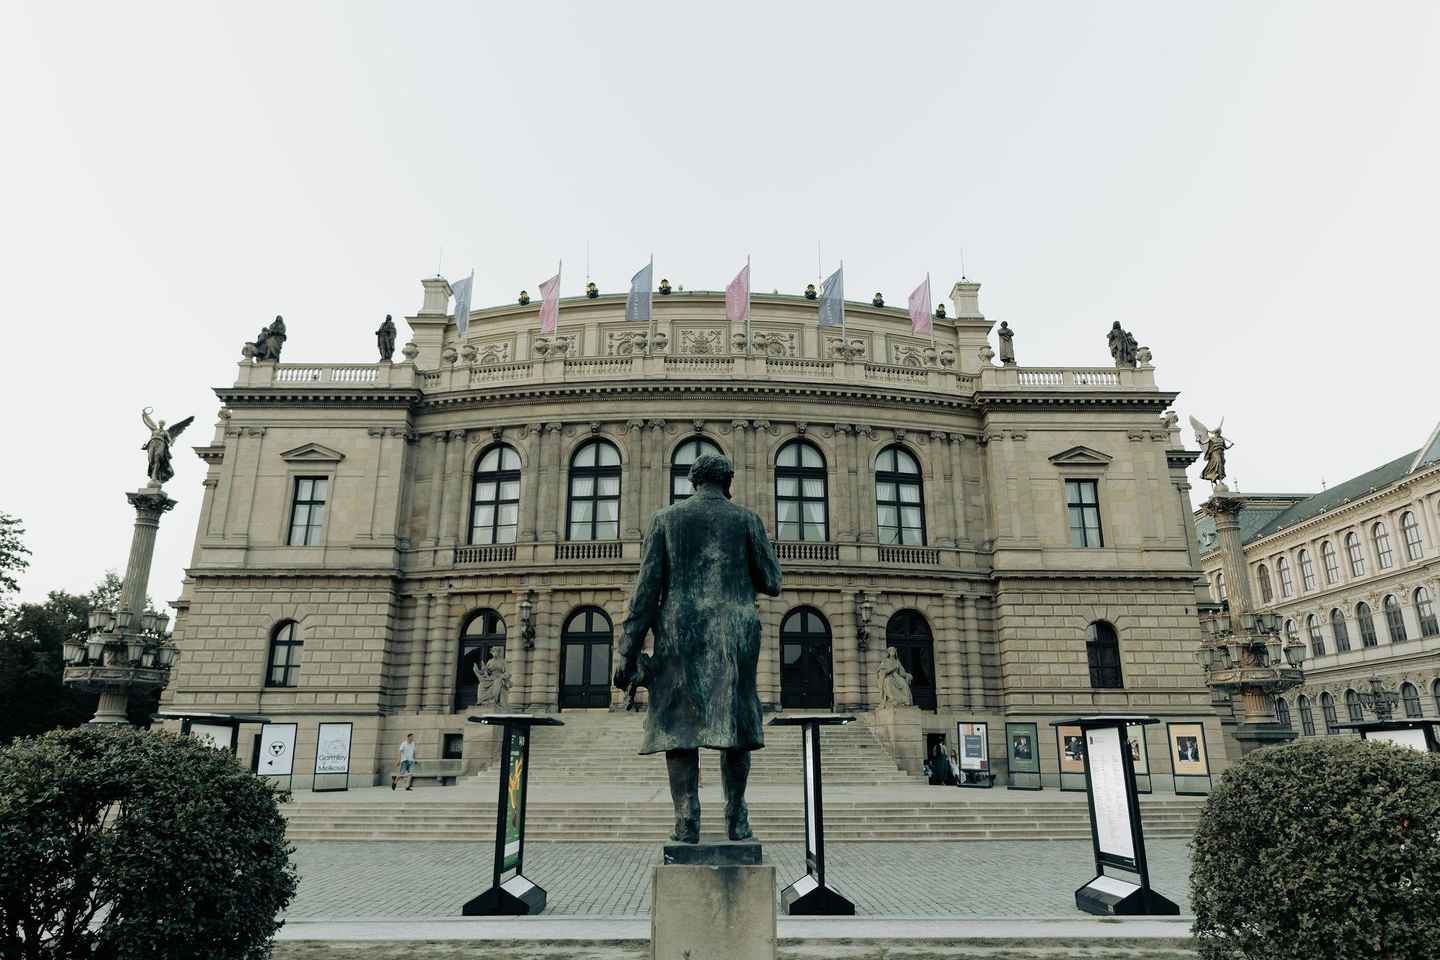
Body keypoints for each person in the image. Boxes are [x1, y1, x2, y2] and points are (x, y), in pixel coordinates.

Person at [614, 453, 782, 843]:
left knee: (679, 727)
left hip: (679, 633)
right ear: (728, 482)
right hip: (734, 633)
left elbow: (645, 593)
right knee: (735, 722)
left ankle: (686, 819)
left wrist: (627, 649)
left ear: (692, 482)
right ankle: (736, 816)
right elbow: (772, 581)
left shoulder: (665, 520)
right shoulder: (747, 520)